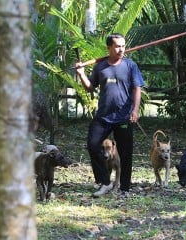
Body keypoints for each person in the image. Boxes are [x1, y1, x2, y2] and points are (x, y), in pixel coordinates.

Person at [75, 33, 144, 197]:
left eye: (123, 46)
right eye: (117, 46)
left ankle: (125, 188)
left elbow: (137, 88)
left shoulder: (130, 66)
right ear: (109, 47)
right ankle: (104, 182)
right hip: (104, 116)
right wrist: (81, 73)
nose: (121, 49)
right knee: (93, 145)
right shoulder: (100, 67)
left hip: (124, 116)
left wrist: (135, 110)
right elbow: (90, 87)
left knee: (126, 153)